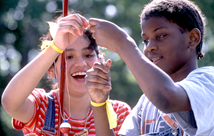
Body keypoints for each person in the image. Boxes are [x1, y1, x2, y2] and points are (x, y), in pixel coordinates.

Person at [85, 0, 214, 135]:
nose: (149, 47)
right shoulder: (146, 103)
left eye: (160, 36)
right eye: (145, 41)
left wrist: (123, 44)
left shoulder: (208, 82)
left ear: (192, 38)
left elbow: (166, 98)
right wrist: (99, 103)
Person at [1, 13, 131, 136]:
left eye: (88, 55)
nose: (80, 63)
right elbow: (10, 103)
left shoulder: (119, 112)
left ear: (101, 61)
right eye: (68, 56)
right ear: (50, 69)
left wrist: (99, 104)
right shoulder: (41, 106)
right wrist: (56, 46)